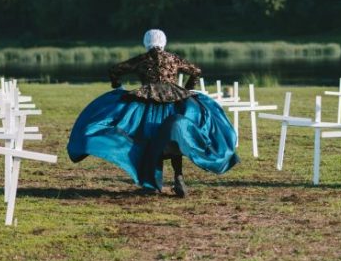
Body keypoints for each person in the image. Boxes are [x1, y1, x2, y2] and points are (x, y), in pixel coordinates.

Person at [67, 29, 239, 197]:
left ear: (146, 42)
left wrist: (118, 88)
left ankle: (153, 183)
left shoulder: (141, 59)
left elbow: (115, 70)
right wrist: (187, 90)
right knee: (176, 135)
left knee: (150, 138)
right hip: (175, 100)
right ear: (163, 42)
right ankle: (178, 176)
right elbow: (196, 71)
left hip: (147, 103)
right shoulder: (173, 58)